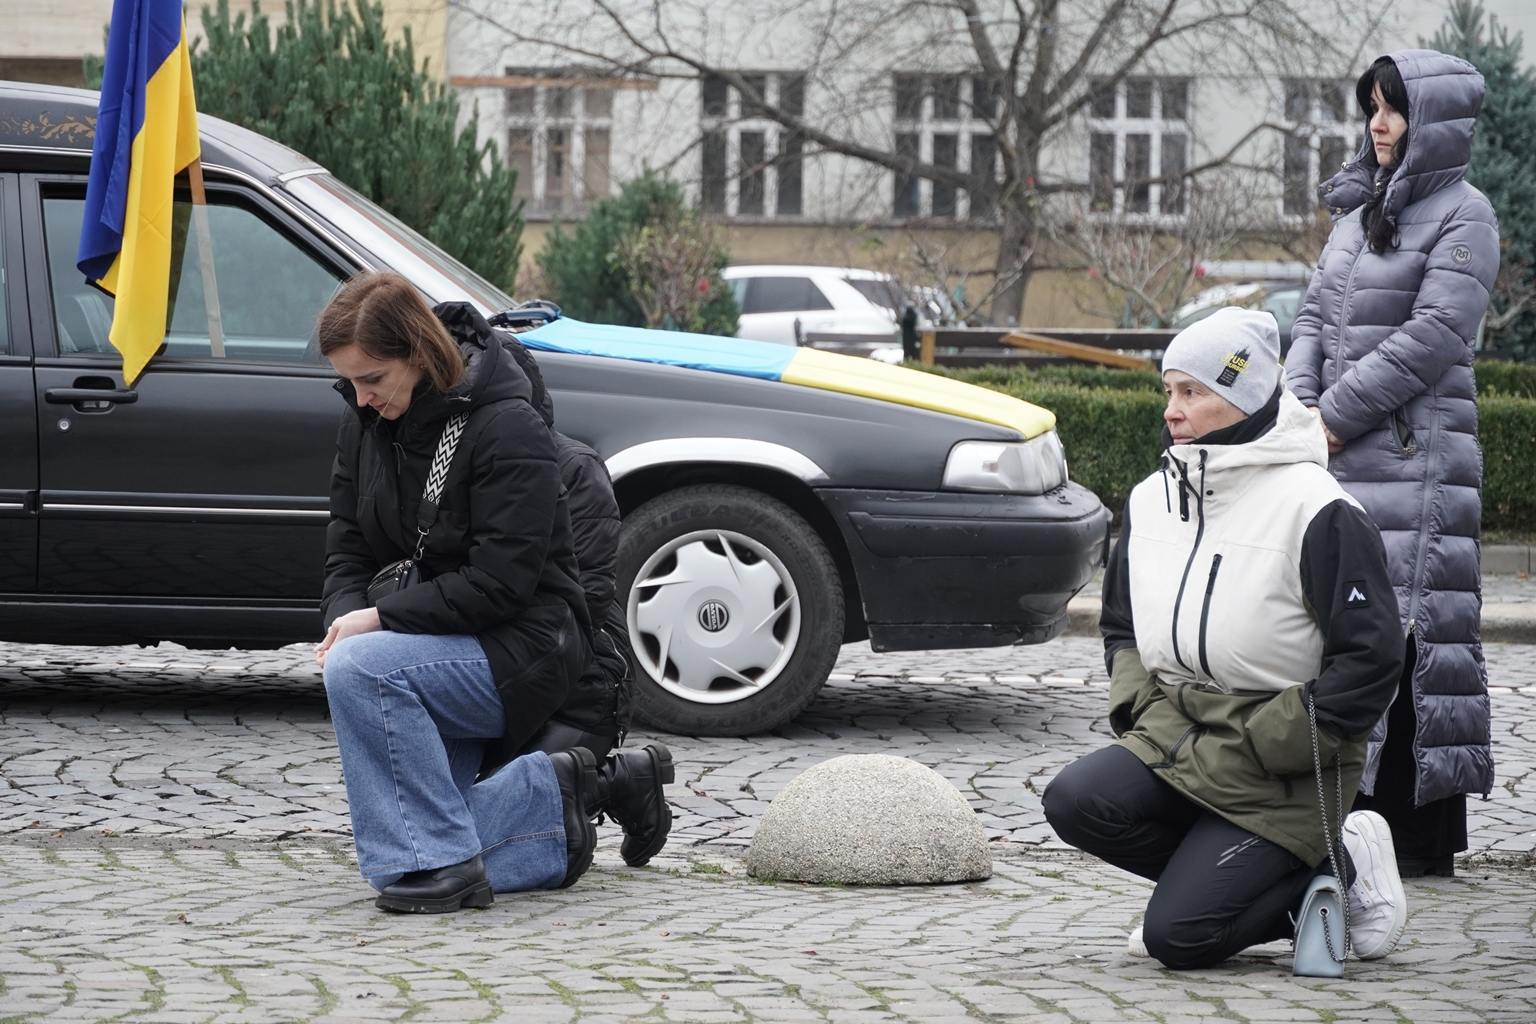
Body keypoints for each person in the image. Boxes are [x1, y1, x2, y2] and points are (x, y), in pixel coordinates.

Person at [1043, 308, 1409, 970]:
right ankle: (1211, 888)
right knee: (1074, 800)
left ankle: (1342, 859)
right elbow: (1121, 622)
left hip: (1280, 759)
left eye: (1192, 392)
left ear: (1241, 398)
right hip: (1178, 732)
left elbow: (1373, 656)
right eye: (1169, 391)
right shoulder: (1152, 498)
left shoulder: (1317, 508)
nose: (1172, 411)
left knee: (1178, 939)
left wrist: (1282, 738)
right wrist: (1137, 706)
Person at [315, 273, 669, 912]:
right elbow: (347, 545)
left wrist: (380, 620)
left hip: (525, 648)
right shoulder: (363, 425)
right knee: (413, 827)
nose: (360, 399)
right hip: (434, 640)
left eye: (372, 379)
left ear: (419, 355)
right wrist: (347, 614)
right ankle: (555, 808)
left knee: (363, 680)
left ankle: (446, 866)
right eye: (349, 383)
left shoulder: (507, 428)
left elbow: (503, 583)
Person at [1286, 51, 1499, 877]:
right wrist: (1300, 406)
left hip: (1416, 463)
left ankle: (1412, 839)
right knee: (1344, 626)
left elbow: (1434, 337)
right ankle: (1337, 815)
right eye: (1373, 107)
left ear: (1432, 120)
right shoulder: (1358, 211)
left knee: (1415, 637)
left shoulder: (1465, 216)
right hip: (1334, 455)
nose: (1379, 123)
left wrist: (1331, 420)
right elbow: (1310, 318)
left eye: (1395, 109)